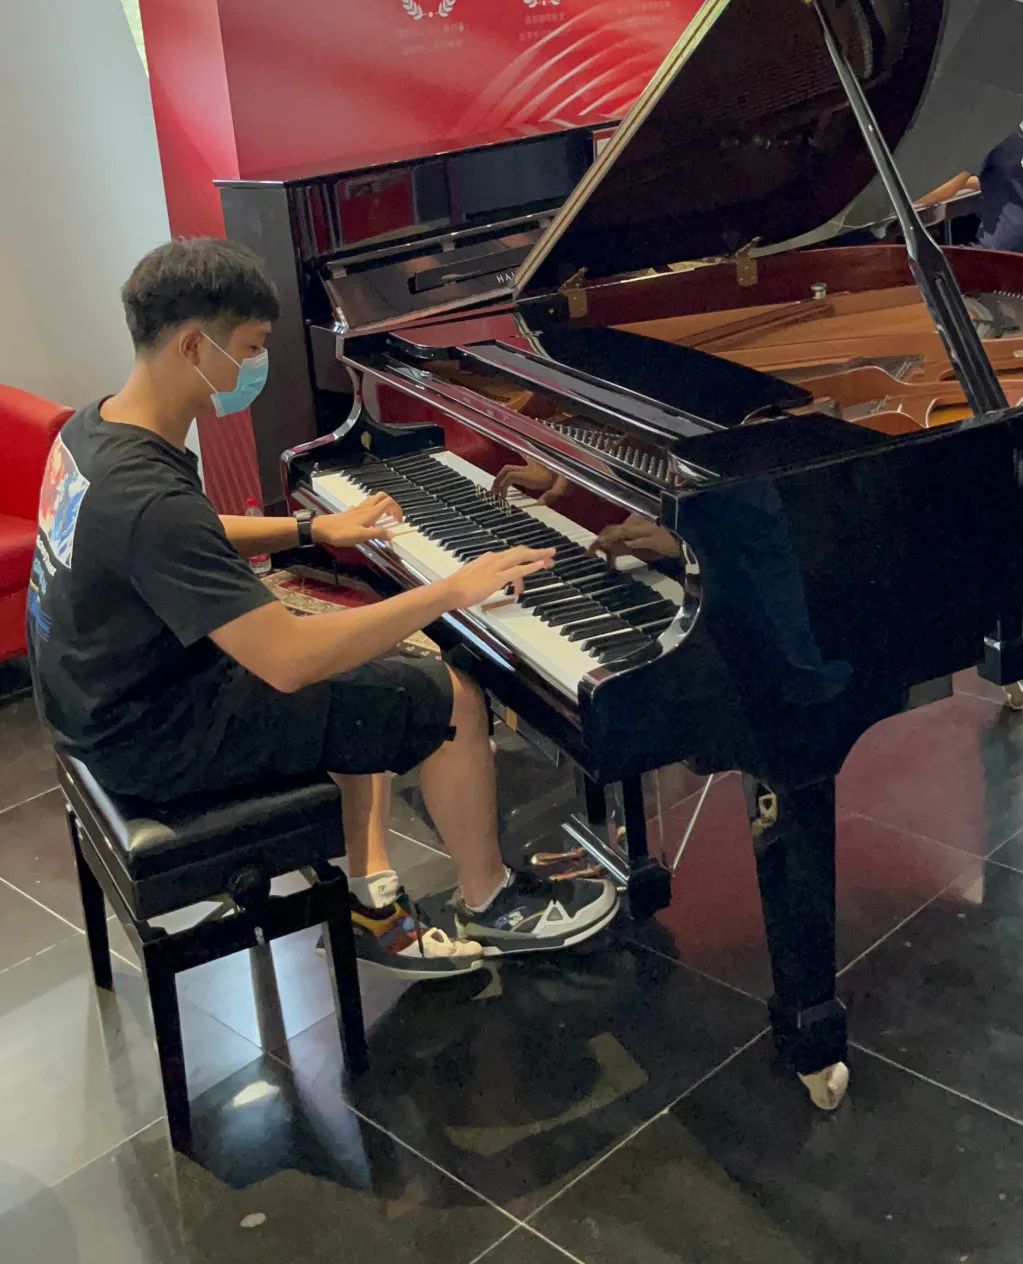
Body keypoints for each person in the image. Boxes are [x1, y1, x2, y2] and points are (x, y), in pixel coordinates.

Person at [27, 238, 617, 978]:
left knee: (368, 667)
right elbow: (287, 663)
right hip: (157, 739)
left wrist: (311, 530)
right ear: (193, 346)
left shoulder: (95, 431)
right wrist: (450, 591)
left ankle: (373, 895)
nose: (255, 365)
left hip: (95, 705)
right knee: (450, 697)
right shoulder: (150, 499)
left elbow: (185, 535)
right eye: (250, 347)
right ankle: (490, 900)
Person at [920, 110, 1023, 256]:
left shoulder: (993, 129)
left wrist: (908, 195)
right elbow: (1010, 176)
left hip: (1003, 246)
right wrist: (964, 183)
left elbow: (947, 190)